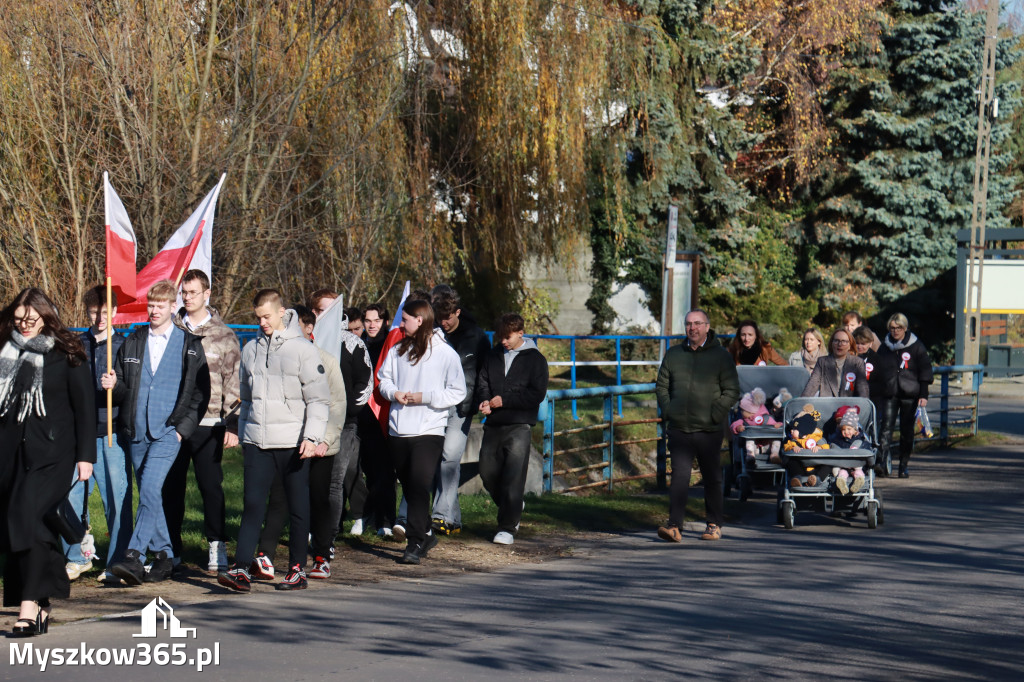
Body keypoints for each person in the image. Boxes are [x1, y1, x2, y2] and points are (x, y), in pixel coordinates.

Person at [218, 289, 330, 592]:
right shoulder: (251, 349)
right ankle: (241, 568)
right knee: (252, 504)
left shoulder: (303, 350)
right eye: (258, 317)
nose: (263, 322)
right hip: (257, 440)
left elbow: (319, 399)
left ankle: (297, 570)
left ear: (282, 312)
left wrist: (312, 436)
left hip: (293, 441)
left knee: (296, 505)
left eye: (267, 316)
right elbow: (245, 394)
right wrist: (242, 430)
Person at [102, 280, 210, 586]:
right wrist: (114, 385)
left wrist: (181, 431)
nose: (154, 310)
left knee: (150, 487)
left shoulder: (190, 346)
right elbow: (123, 388)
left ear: (172, 307)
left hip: (168, 432)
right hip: (135, 431)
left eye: (160, 305)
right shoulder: (133, 341)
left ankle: (133, 555)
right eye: (151, 305)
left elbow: (201, 393)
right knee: (150, 494)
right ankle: (164, 556)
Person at [0, 288, 95, 636]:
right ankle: (41, 602)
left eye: (32, 320)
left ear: (45, 317)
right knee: (23, 527)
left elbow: (84, 408)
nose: (25, 326)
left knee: (30, 520)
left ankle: (27, 607)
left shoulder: (66, 353)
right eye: (19, 320)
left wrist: (86, 457)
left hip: (54, 455)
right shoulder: (4, 350)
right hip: (11, 454)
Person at [255, 306, 346, 580]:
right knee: (279, 498)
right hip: (288, 443)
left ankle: (321, 555)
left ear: (309, 330)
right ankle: (265, 555)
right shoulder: (278, 356)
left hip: (320, 447)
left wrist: (323, 439)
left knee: (318, 500)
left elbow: (336, 405)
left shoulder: (327, 362)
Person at [377, 298, 466, 564]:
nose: (400, 324)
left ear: (420, 319)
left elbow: (458, 391)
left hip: (429, 429)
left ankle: (414, 542)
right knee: (410, 485)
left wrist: (424, 397)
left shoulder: (444, 353)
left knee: (418, 483)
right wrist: (395, 393)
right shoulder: (397, 350)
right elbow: (384, 380)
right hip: (398, 429)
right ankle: (426, 532)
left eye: (405, 320)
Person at [164, 269, 240, 574]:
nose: (187, 297)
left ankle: (216, 544)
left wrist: (232, 423)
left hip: (210, 424)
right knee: (172, 488)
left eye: (192, 292)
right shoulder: (170, 329)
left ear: (207, 294)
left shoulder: (224, 335)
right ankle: (171, 548)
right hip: (174, 423)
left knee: (211, 487)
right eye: (184, 292)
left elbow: (233, 380)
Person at [63, 286, 133, 585]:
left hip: (111, 432)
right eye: (94, 313)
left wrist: (115, 387)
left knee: (116, 499)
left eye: (105, 313)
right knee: (69, 495)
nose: (100, 318)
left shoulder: (125, 346)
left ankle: (118, 561)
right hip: (79, 433)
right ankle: (78, 555)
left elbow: (131, 390)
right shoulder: (76, 345)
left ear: (114, 312)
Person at [655, 310, 739, 543]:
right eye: (689, 324)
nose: (692, 328)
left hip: (709, 429)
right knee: (680, 477)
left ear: (707, 326)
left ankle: (713, 524)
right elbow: (661, 386)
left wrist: (715, 414)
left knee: (711, 477)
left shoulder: (721, 356)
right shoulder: (673, 354)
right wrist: (669, 411)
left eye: (697, 324)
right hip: (680, 428)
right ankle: (674, 526)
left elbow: (732, 390)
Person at [475, 313, 549, 545]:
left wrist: (504, 400)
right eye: (500, 337)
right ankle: (514, 505)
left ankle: (507, 526)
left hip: (520, 424)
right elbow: (483, 381)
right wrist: (486, 400)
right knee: (487, 472)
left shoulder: (536, 360)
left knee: (514, 476)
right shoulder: (494, 354)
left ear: (520, 333)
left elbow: (536, 394)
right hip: (494, 423)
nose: (504, 342)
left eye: (507, 337)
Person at [306, 291, 372, 539]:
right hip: (310, 423)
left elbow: (365, 384)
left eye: (332, 308)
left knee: (336, 480)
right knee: (311, 480)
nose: (327, 314)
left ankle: (328, 535)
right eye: (322, 309)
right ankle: (310, 528)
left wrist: (346, 411)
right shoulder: (306, 342)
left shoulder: (352, 343)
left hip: (344, 424)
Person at [426, 288, 489, 536]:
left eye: (448, 318)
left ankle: (440, 515)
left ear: (458, 312)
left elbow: (484, 372)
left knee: (450, 458)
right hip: (435, 403)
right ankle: (453, 520)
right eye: (439, 318)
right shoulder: (434, 335)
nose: (444, 323)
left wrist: (478, 402)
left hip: (462, 406)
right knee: (438, 459)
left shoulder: (477, 337)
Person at [877, 313, 933, 478]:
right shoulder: (885, 347)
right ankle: (881, 462)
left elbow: (925, 371)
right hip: (890, 393)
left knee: (906, 431)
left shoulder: (916, 346)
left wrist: (924, 394)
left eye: (899, 328)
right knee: (886, 428)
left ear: (905, 328)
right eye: (892, 328)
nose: (895, 331)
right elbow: (879, 368)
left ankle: (903, 465)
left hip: (910, 393)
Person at [357, 302, 395, 536]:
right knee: (368, 468)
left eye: (376, 321)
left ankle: (387, 519)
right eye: (368, 321)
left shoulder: (390, 346)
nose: (372, 325)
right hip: (363, 413)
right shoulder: (361, 345)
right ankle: (371, 514)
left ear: (386, 322)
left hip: (384, 413)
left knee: (384, 470)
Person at [801, 329, 869, 399]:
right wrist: (801, 403)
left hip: (850, 408)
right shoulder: (822, 362)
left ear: (850, 345)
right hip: (827, 407)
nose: (839, 344)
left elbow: (863, 389)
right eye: (836, 340)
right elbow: (811, 386)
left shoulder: (858, 363)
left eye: (844, 341)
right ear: (832, 343)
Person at [826, 407, 867, 495]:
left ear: (855, 430)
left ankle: (858, 482)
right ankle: (842, 483)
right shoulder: (838, 440)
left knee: (858, 472)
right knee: (842, 473)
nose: (846, 432)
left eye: (849, 429)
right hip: (843, 465)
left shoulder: (860, 439)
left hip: (856, 464)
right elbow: (833, 446)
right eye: (843, 430)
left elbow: (867, 448)